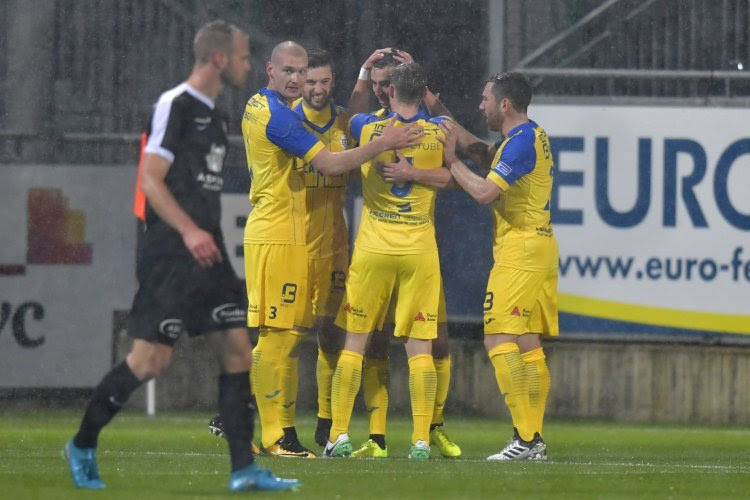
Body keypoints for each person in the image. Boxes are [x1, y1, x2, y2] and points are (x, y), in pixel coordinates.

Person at [63, 21, 298, 492]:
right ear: (219, 60)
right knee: (149, 363)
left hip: (207, 252)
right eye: (243, 56)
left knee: (237, 349)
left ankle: (243, 470)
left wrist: (202, 233)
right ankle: (82, 443)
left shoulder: (216, 117)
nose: (249, 65)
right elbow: (150, 178)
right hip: (171, 253)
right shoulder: (176, 105)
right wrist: (189, 231)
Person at [241, 41, 422, 459]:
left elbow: (342, 121)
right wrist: (383, 142)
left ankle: (274, 429)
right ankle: (273, 434)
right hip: (280, 233)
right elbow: (330, 164)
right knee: (280, 338)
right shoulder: (280, 118)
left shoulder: (262, 105)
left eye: (303, 73)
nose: (298, 80)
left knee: (286, 335)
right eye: (289, 71)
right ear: (270, 69)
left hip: (287, 233)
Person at [323, 62, 452, 460]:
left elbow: (342, 123)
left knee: (355, 344)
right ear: (423, 91)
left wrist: (362, 72)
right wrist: (416, 171)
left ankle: (338, 435)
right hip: (419, 249)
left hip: (375, 246)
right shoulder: (440, 130)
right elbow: (450, 176)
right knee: (420, 348)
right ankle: (420, 440)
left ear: (390, 91)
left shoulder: (366, 127)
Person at [437, 72, 557, 461]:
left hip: (520, 249)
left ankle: (525, 438)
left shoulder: (519, 145)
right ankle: (533, 439)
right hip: (538, 244)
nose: (481, 105)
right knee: (526, 344)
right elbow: (479, 148)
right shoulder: (527, 136)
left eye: (485, 99)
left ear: (505, 105)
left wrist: (450, 160)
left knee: (497, 337)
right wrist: (433, 106)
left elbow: (485, 192)